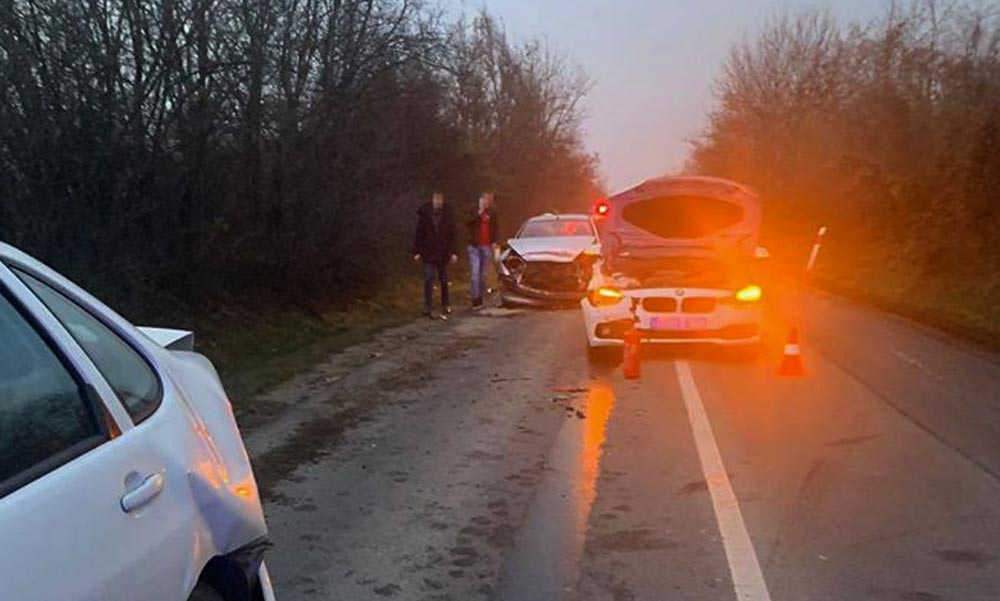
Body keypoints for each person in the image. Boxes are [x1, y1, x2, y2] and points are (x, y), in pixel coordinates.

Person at [413, 192, 457, 318]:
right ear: (432, 200)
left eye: (440, 199)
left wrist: (453, 252)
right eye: (436, 199)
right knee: (428, 279)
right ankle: (427, 306)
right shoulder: (425, 215)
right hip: (428, 252)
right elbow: (419, 234)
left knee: (443, 280)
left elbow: (452, 235)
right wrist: (417, 251)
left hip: (443, 253)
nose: (438, 201)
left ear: (442, 201)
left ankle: (445, 304)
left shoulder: (447, 215)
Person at [465, 192, 499, 309]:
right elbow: (467, 223)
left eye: (487, 201)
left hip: (486, 246)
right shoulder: (473, 210)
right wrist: (478, 213)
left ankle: (482, 295)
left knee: (483, 274)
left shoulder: (491, 213)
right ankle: (476, 299)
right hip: (474, 247)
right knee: (475, 273)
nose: (485, 203)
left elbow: (495, 227)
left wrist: (494, 241)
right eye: (483, 201)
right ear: (480, 201)